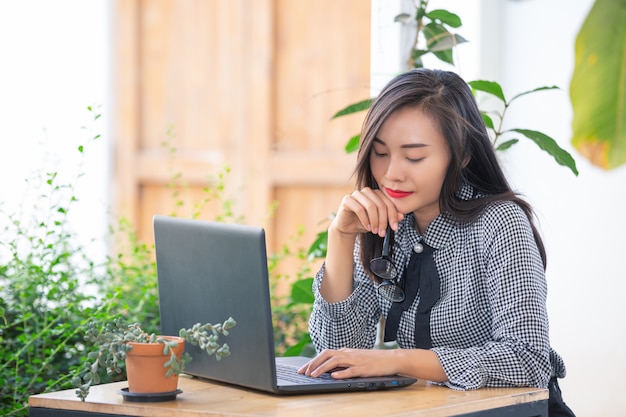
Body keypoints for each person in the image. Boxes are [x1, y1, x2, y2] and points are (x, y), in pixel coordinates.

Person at [297, 68, 575, 416]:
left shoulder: (500, 223)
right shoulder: (385, 220)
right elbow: (339, 356)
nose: (391, 173)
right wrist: (340, 238)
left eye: (414, 157)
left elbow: (527, 359)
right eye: (380, 153)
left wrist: (397, 361)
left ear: (461, 156)